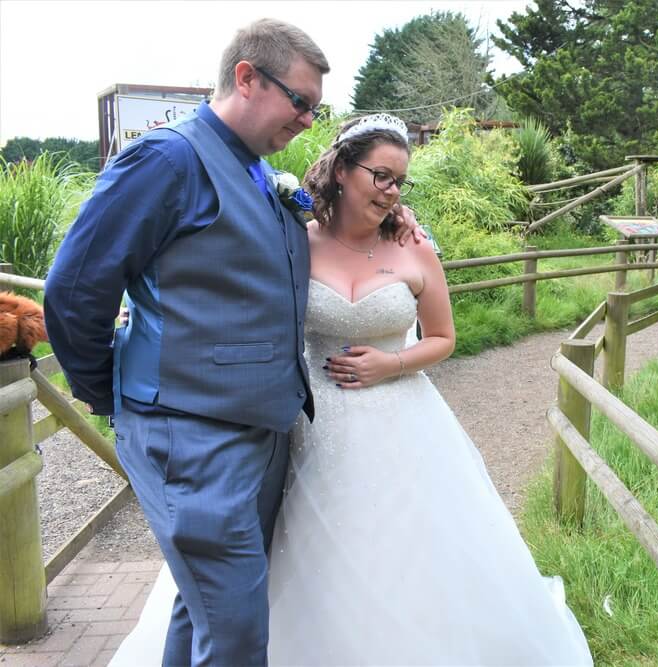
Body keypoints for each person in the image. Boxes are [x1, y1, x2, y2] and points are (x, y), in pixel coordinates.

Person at [111, 113, 594, 665]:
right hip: (304, 422)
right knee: (274, 554)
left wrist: (392, 364)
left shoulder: (416, 249)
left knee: (404, 551)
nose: (390, 193)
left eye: (399, 182)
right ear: (342, 169)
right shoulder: (293, 239)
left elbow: (443, 338)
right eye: (380, 176)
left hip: (401, 425)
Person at [43, 20, 419, 666]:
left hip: (261, 434)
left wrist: (385, 223)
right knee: (239, 635)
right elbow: (75, 290)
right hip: (192, 437)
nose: (307, 120)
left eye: (315, 107)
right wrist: (120, 395)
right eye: (298, 101)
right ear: (246, 77)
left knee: (203, 610)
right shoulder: (167, 160)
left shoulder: (256, 171)